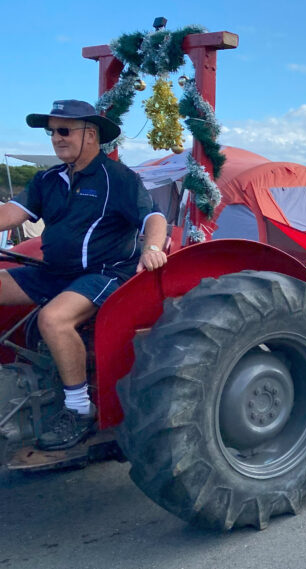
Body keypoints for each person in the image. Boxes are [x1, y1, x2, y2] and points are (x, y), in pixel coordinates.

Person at [0, 99, 168, 450]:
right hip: (56, 272)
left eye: (64, 130)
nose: (56, 138)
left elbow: (153, 217)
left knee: (54, 319)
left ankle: (79, 410)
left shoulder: (119, 179)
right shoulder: (48, 179)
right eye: (51, 132)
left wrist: (153, 248)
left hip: (104, 273)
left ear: (90, 134)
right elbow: (12, 214)